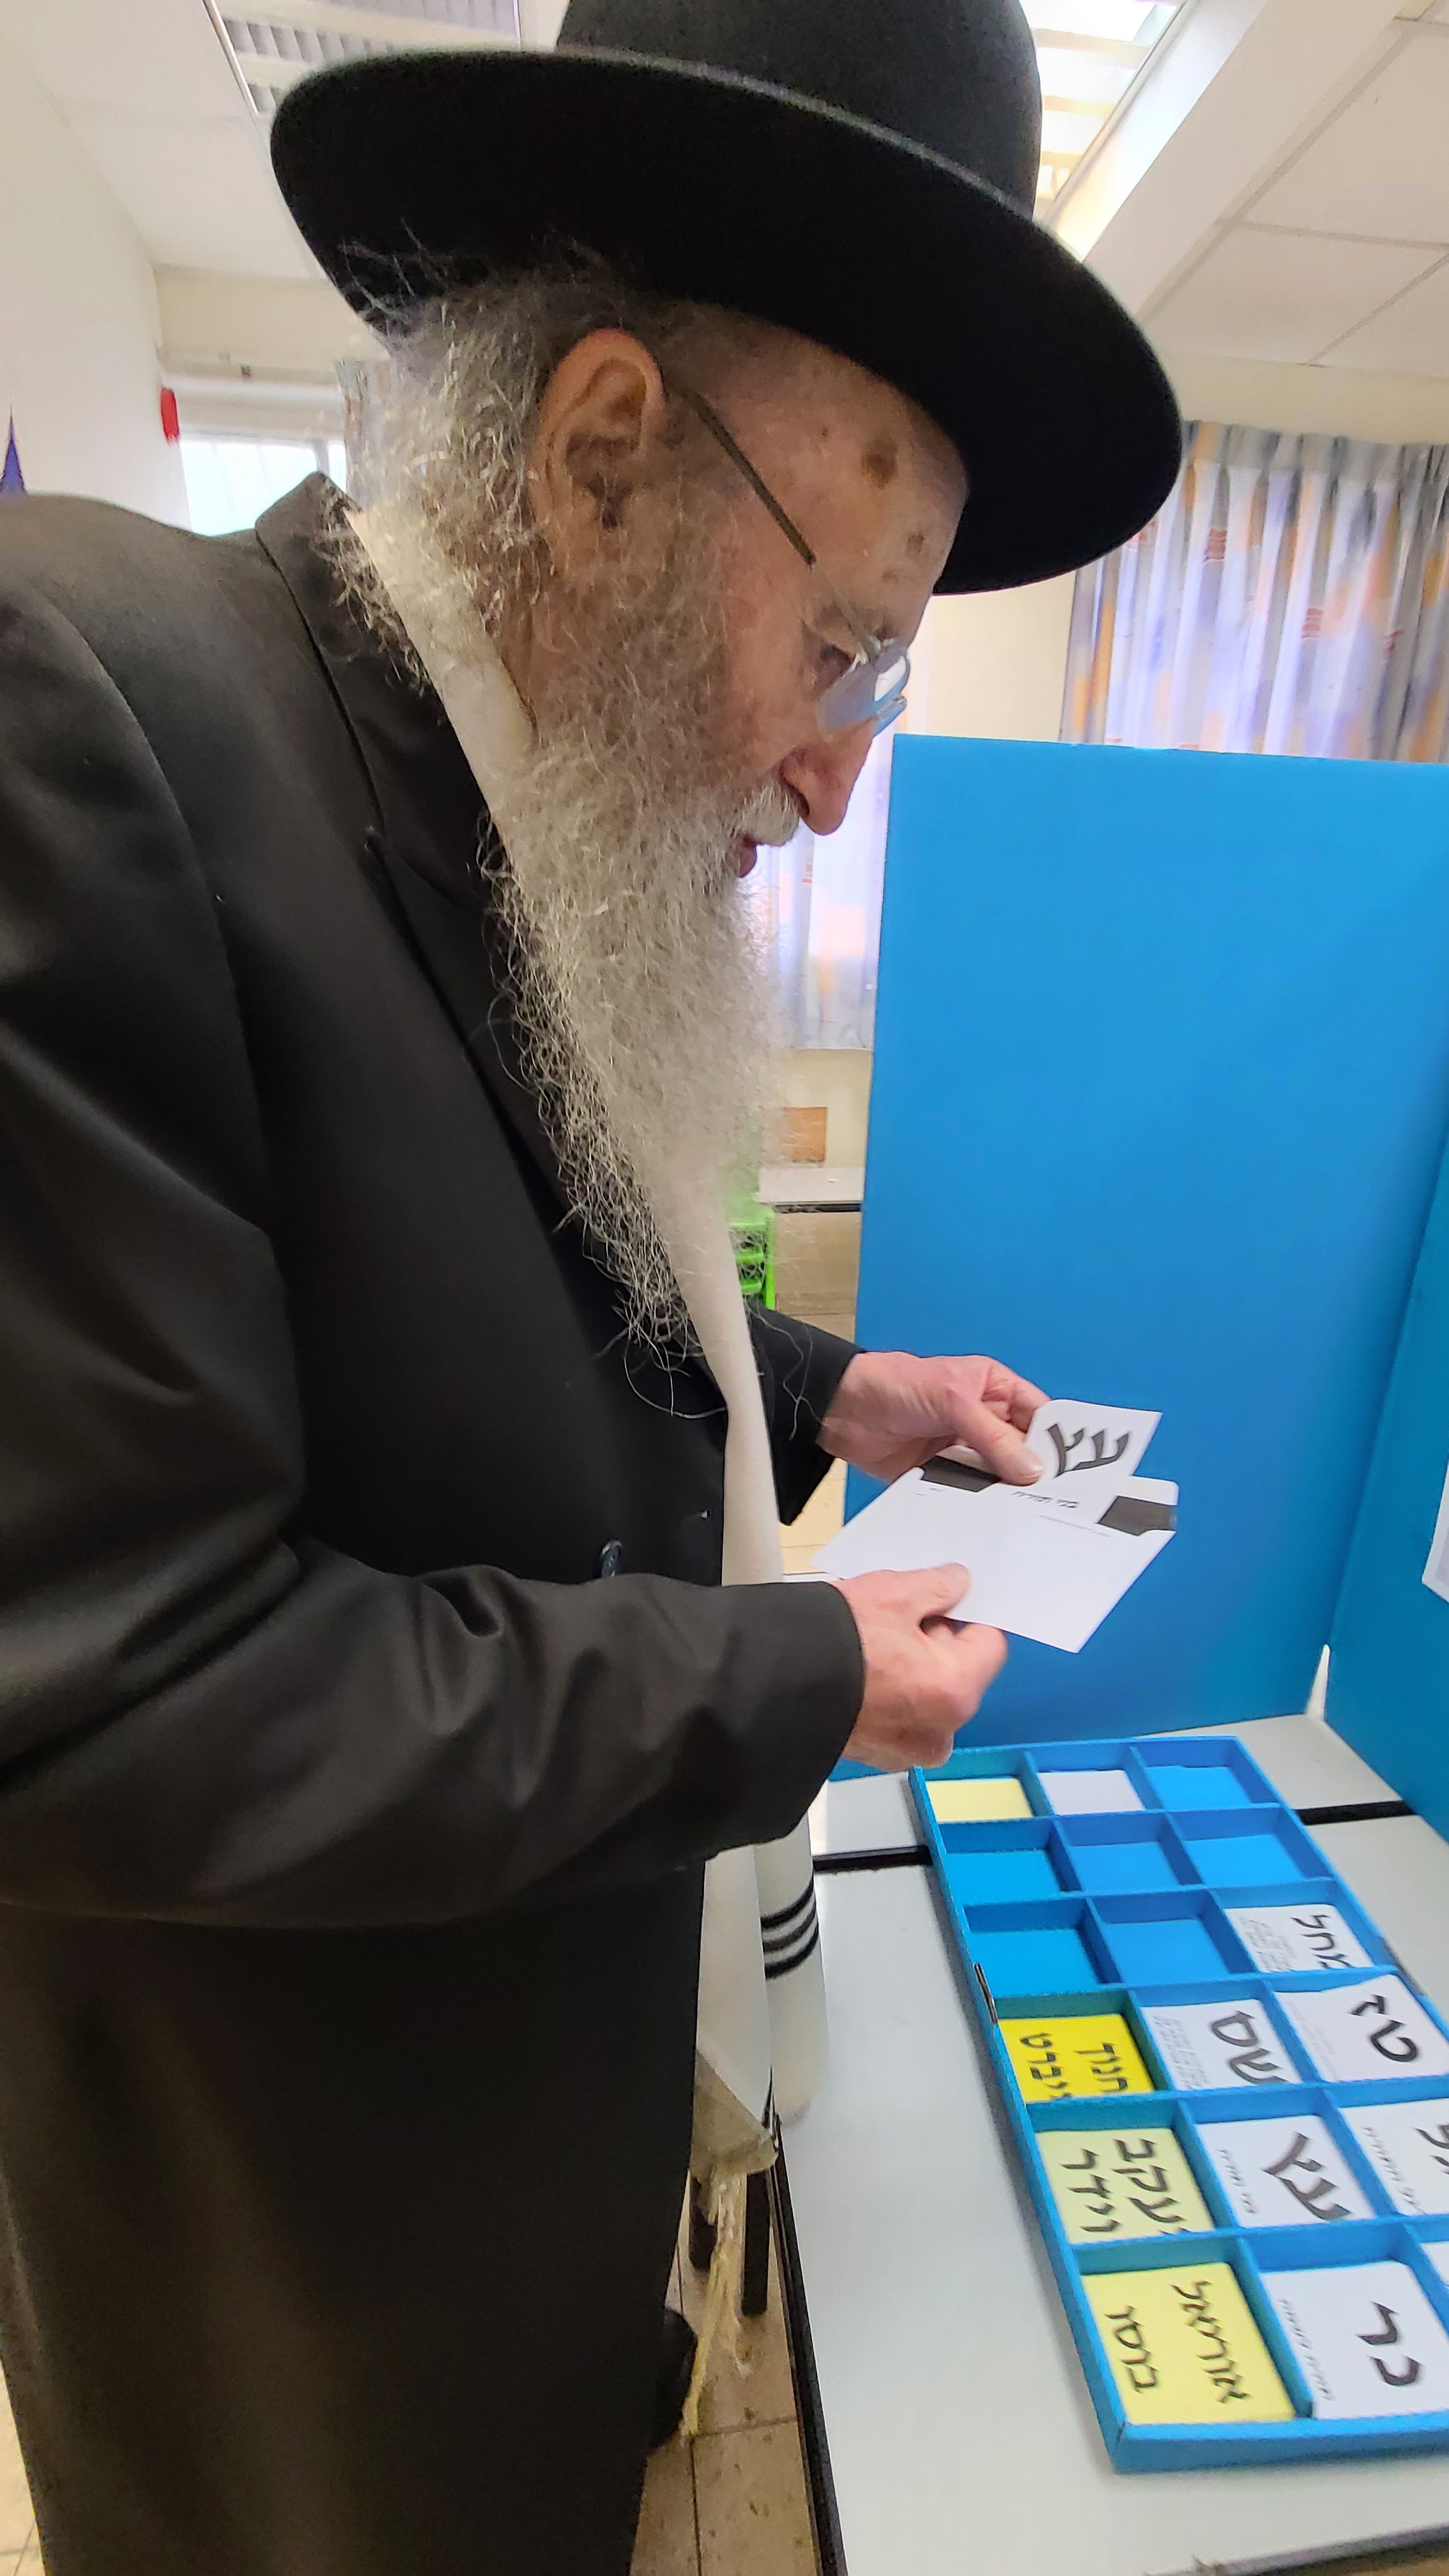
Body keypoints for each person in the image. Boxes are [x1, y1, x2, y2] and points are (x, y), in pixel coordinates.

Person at [0, 1, 1179, 2569]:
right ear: (604, 451)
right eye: (843, 649)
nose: (840, 774)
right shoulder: (91, 711)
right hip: (312, 2310)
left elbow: (464, 1277)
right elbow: (110, 1689)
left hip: (558, 2183)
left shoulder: (519, 795)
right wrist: (792, 1675)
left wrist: (829, 1387)